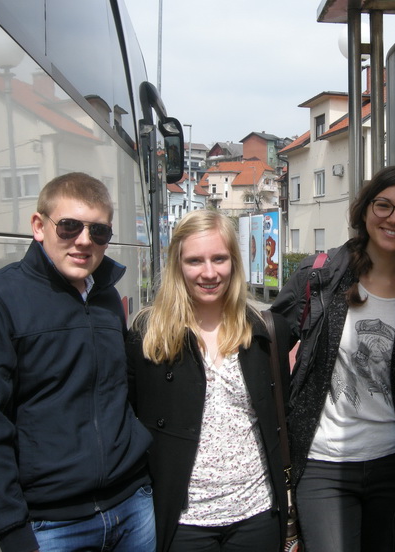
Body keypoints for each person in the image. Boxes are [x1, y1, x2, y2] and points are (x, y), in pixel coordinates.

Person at [0, 172, 154, 552]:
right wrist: (11, 529)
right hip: (51, 525)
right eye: (69, 226)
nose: (84, 240)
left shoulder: (107, 297)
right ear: (38, 226)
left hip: (133, 507)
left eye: (99, 231)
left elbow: (122, 393)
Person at [270, 165, 395, 552]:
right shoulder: (320, 277)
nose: (394, 218)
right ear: (365, 209)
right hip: (323, 466)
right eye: (384, 205)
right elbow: (267, 347)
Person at [126, 210, 291, 552]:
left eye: (219, 258)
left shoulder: (262, 331)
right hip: (184, 522)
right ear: (177, 265)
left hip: (257, 514)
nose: (209, 273)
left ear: (234, 262)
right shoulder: (148, 336)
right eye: (195, 261)